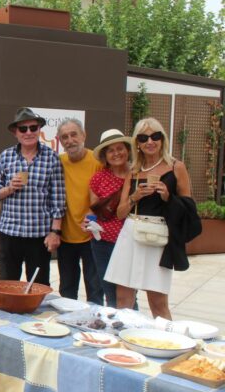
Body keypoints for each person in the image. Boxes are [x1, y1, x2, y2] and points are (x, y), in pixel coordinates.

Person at [104, 118, 193, 319]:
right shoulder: (134, 171)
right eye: (143, 138)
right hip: (130, 233)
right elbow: (120, 213)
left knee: (158, 302)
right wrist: (136, 197)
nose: (150, 142)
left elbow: (189, 208)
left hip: (158, 235)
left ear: (163, 139)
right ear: (137, 143)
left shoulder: (175, 167)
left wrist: (167, 196)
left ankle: (166, 345)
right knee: (123, 299)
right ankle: (124, 343)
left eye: (155, 136)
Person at [0, 107, 65, 286]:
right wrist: (9, 189)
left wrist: (55, 232)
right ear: (16, 132)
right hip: (10, 233)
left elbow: (58, 200)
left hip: (39, 235)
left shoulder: (52, 158)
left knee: (38, 286)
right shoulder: (6, 156)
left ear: (39, 130)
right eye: (23, 129)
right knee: (6, 284)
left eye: (33, 128)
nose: (28, 132)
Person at [57, 119, 103, 302]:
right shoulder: (58, 162)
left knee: (95, 290)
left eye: (74, 134)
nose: (70, 140)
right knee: (67, 291)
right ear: (60, 141)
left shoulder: (97, 161)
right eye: (64, 137)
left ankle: (95, 328)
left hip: (91, 236)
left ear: (84, 135)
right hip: (66, 236)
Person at [86, 129, 133, 308]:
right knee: (109, 292)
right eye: (110, 150)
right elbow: (96, 211)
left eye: (120, 148)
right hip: (102, 243)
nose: (116, 154)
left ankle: (131, 329)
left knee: (128, 294)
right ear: (105, 156)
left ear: (127, 150)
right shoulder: (97, 179)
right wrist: (89, 222)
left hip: (129, 242)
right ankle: (115, 328)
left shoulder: (137, 176)